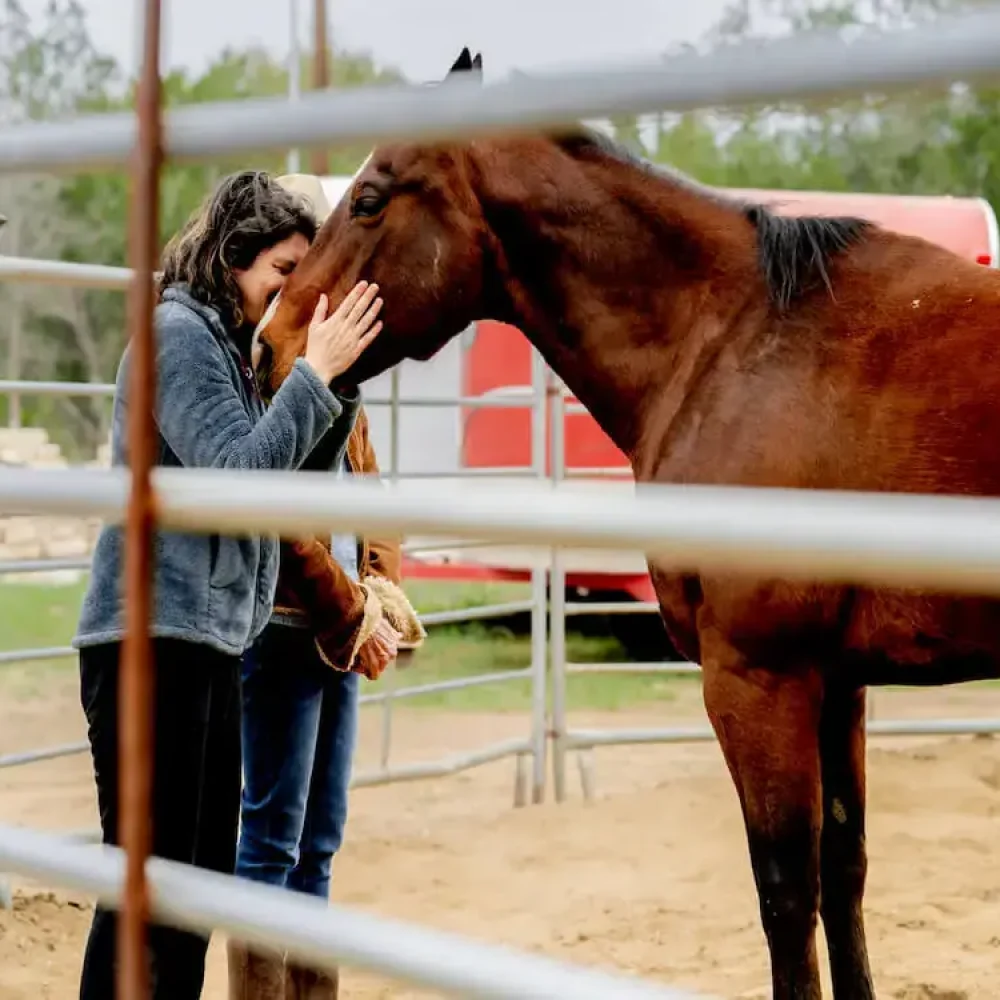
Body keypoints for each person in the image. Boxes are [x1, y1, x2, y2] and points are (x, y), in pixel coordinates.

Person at [71, 169, 386, 1000]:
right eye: (283, 270)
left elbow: (292, 490)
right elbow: (238, 474)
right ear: (233, 257)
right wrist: (311, 377)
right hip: (151, 641)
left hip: (207, 643)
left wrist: (338, 386)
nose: (293, 287)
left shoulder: (234, 352)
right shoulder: (178, 336)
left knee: (194, 885)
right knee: (152, 885)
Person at [229, 173, 425, 1000]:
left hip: (342, 628)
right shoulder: (269, 367)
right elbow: (278, 513)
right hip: (286, 622)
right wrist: (351, 612)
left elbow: (369, 489)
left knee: (319, 841)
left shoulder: (336, 372)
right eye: (289, 262)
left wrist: (380, 587)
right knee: (272, 837)